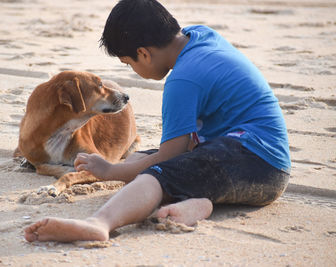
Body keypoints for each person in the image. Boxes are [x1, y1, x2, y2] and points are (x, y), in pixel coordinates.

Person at [24, 0, 290, 243]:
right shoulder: (199, 36)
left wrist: (108, 171)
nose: (133, 71)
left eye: (129, 64)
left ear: (144, 53)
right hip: (249, 158)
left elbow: (167, 158)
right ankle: (200, 202)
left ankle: (99, 224)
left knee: (153, 174)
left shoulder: (182, 81)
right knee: (136, 159)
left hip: (257, 163)